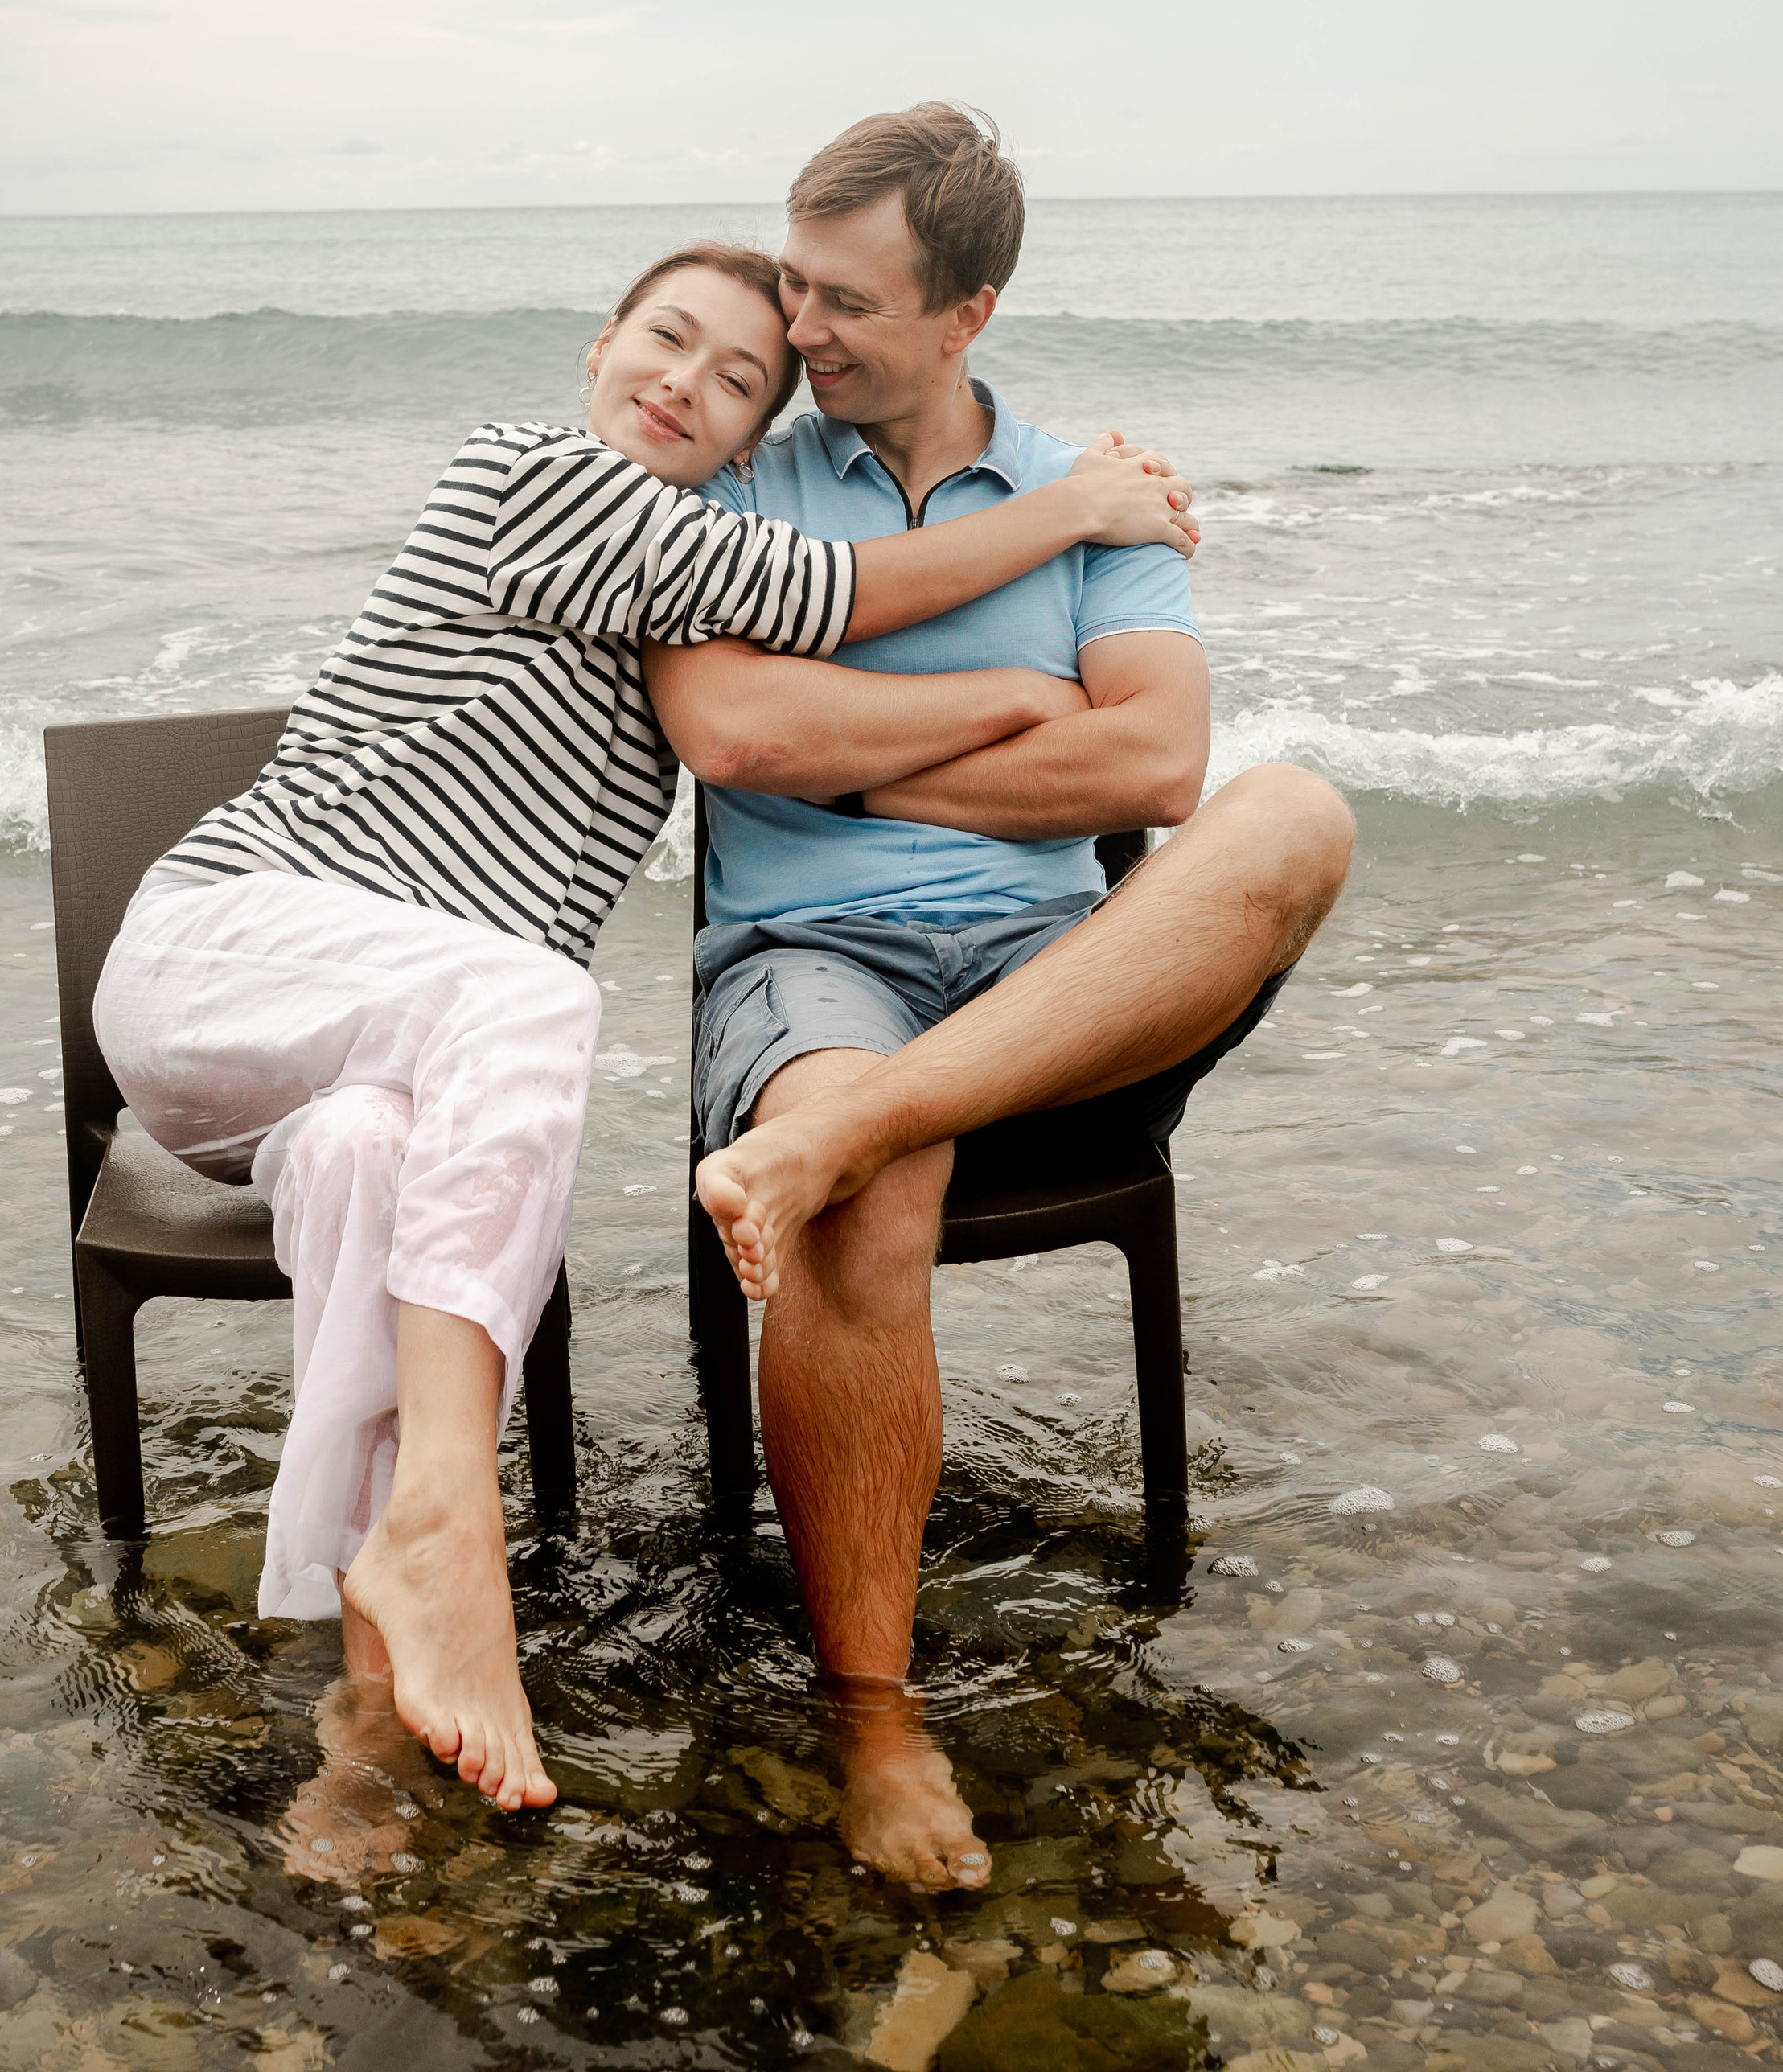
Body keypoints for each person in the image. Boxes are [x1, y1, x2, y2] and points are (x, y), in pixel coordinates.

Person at [92, 240, 1199, 1848]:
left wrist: (1010, 691)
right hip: (224, 959)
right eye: (665, 340)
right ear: (600, 342)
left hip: (342, 1064)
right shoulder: (526, 478)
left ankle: (364, 1715)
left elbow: (780, 675)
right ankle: (455, 1531)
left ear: (749, 443)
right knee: (534, 994)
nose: (684, 381)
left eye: (737, 380)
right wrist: (1066, 533)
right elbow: (821, 599)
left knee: (370, 1165)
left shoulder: (669, 577)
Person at [643, 109, 1356, 1893]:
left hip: (1054, 976)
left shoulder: (1096, 492)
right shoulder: (731, 478)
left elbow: (1164, 762)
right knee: (868, 1190)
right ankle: (875, 1719)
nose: (799, 333)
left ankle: (856, 1126)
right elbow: (735, 734)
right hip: (809, 969)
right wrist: (1015, 722)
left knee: (1296, 814)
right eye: (791, 286)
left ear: (965, 310)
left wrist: (855, 767)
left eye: (846, 302)